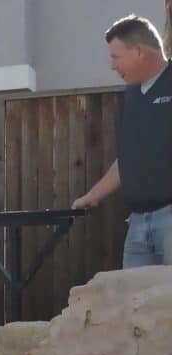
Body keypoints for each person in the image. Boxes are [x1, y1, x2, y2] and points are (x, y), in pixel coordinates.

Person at [72, 15, 171, 267]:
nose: (112, 66)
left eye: (116, 57)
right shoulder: (131, 96)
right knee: (131, 294)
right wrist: (92, 195)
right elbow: (129, 159)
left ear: (138, 51)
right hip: (138, 224)